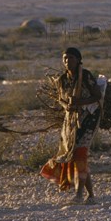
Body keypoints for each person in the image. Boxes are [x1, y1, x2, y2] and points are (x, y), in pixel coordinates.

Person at [40, 48, 102, 204]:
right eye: (65, 58)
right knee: (73, 154)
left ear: (78, 59)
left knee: (80, 154)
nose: (67, 61)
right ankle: (91, 196)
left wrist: (79, 103)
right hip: (71, 120)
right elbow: (61, 99)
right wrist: (67, 105)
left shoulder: (85, 76)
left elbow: (97, 96)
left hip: (89, 118)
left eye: (71, 58)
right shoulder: (62, 79)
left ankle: (79, 195)